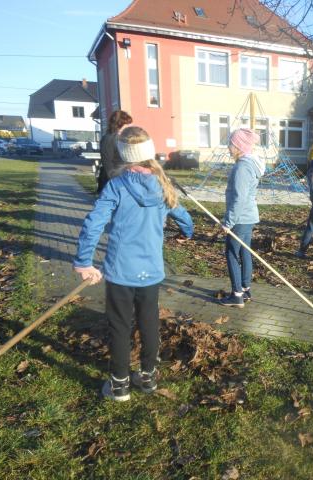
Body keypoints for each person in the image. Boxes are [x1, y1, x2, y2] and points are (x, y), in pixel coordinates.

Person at [73, 126, 194, 401]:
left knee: (120, 326)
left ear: (123, 155)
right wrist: (188, 231)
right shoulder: (163, 185)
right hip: (149, 272)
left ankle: (120, 385)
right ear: (149, 153)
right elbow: (183, 215)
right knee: (149, 322)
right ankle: (148, 378)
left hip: (121, 271)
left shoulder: (116, 185)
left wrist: (84, 261)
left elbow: (93, 223)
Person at [220, 128, 265, 308]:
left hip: (240, 218)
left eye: (231, 144)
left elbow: (239, 198)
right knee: (244, 252)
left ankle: (237, 294)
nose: (229, 148)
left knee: (231, 253)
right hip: (248, 217)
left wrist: (228, 222)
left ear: (238, 146)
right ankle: (245, 289)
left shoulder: (242, 167)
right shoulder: (251, 164)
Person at [97, 110, 133, 193]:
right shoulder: (109, 139)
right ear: (119, 124)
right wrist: (117, 185)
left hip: (122, 180)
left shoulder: (120, 138)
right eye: (128, 125)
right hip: (113, 184)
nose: (130, 127)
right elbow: (108, 164)